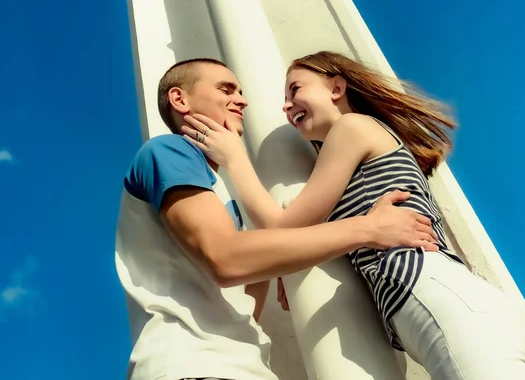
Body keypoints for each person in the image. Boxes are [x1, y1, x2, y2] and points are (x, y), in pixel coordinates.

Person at [181, 52, 525, 380]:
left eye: (295, 89)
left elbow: (281, 226)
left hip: (438, 292)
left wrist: (235, 160)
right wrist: (287, 266)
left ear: (336, 88)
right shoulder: (353, 148)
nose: (286, 106)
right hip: (443, 302)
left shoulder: (352, 128)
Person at [115, 57, 440, 380]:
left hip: (244, 367)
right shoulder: (169, 151)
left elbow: (246, 306)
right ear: (179, 99)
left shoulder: (225, 199)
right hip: (192, 365)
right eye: (226, 89)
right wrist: (366, 228)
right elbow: (226, 258)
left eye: (241, 91)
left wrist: (281, 262)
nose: (241, 99)